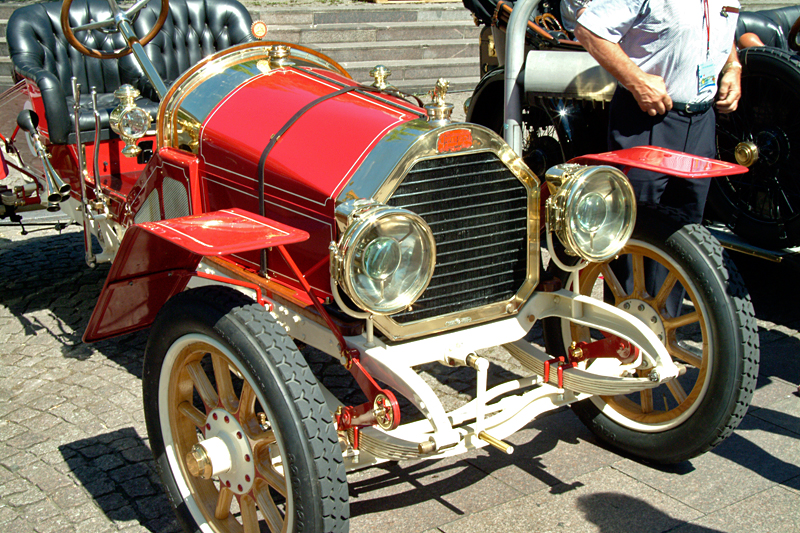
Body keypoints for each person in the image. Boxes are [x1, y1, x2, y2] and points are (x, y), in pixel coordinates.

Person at [574, 0, 742, 224]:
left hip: (702, 124)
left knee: (687, 230)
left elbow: (721, 24)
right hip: (648, 120)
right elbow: (589, 29)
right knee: (637, 225)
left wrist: (733, 66)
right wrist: (637, 81)